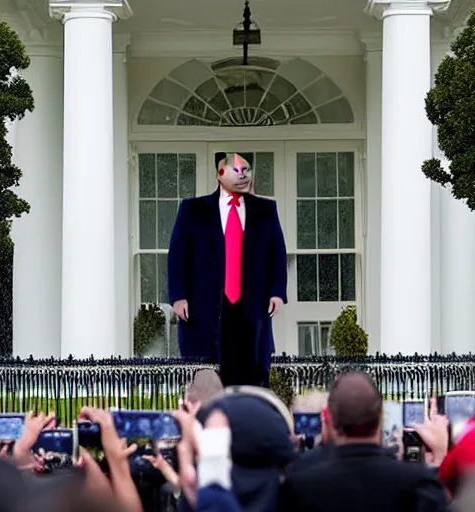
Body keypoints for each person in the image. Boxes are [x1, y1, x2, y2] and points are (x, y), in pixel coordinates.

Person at [168, 152, 287, 387]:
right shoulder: (193, 209)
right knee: (208, 380)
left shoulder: (265, 210)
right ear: (220, 175)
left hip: (249, 308)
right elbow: (178, 255)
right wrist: (178, 296)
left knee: (250, 378)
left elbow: (277, 252)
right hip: (206, 307)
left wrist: (277, 291)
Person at [278, 372, 448, 512]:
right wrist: (440, 460)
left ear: (327, 417)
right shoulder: (418, 486)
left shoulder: (300, 486)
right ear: (380, 418)